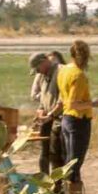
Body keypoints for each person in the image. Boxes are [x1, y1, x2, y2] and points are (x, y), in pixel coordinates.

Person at [55, 40, 98, 194]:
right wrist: (94, 104)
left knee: (70, 161)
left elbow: (63, 100)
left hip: (66, 119)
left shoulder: (63, 70)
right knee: (74, 163)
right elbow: (74, 103)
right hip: (78, 121)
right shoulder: (78, 75)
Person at [28, 50, 63, 182]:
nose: (38, 72)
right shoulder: (43, 76)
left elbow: (63, 99)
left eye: (38, 68)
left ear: (44, 62)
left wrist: (50, 114)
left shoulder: (60, 72)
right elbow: (42, 97)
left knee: (55, 155)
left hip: (59, 119)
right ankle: (45, 185)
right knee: (44, 153)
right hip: (47, 119)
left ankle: (57, 189)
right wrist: (41, 110)